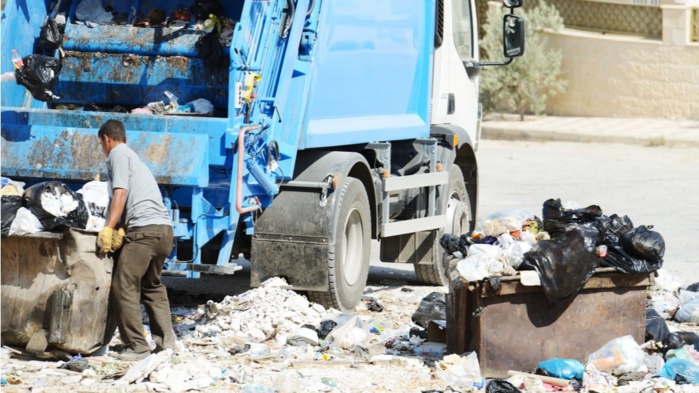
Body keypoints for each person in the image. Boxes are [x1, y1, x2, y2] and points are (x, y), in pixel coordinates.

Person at [97, 119, 176, 361]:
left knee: (123, 285)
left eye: (102, 144)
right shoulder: (134, 157)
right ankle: (167, 343)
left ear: (106, 140)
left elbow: (121, 192)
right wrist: (122, 228)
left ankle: (137, 346)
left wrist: (108, 228)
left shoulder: (118, 155)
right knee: (151, 286)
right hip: (163, 231)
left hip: (145, 233)